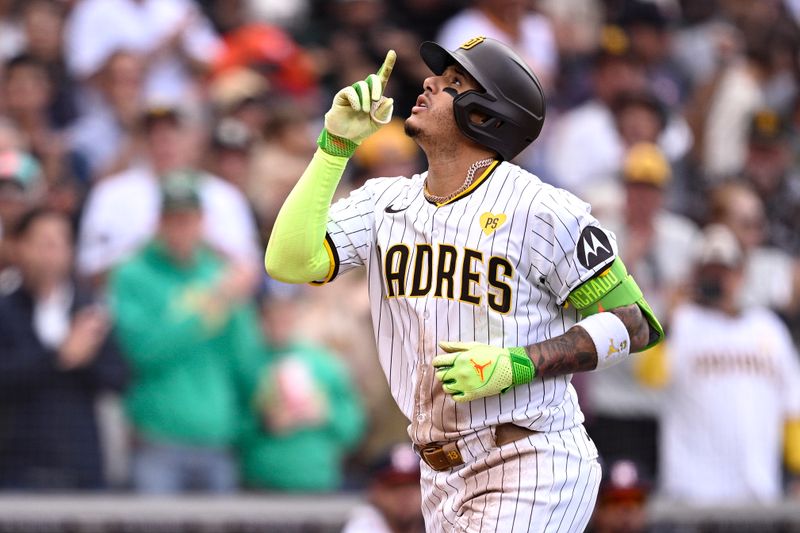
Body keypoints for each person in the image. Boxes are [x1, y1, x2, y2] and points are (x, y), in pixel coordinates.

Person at [265, 36, 663, 531]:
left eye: (454, 83)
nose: (429, 82)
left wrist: (517, 364)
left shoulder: (541, 209)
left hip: (531, 459)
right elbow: (289, 262)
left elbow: (636, 324)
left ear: (487, 115)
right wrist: (336, 145)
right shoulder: (385, 202)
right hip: (439, 476)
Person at [109, 172, 259, 493]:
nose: (182, 228)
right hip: (158, 439)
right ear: (159, 222)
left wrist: (240, 309)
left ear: (203, 222)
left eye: (189, 218)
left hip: (218, 439)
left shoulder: (219, 273)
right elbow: (143, 350)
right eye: (173, 219)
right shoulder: (133, 275)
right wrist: (210, 304)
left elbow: (244, 361)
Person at [654, 224, 800, 504]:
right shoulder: (683, 322)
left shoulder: (768, 327)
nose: (718, 280)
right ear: (695, 275)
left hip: (757, 491)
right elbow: (650, 378)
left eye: (724, 271)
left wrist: (797, 473)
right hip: (692, 494)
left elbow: (793, 407)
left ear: (741, 274)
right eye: (709, 272)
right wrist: (666, 321)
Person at [0, 207, 128, 490]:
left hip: (80, 466)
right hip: (17, 467)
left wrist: (84, 358)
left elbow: (118, 377)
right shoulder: (5, 309)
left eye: (59, 244)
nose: (50, 255)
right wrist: (59, 356)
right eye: (42, 243)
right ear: (20, 247)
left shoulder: (90, 309)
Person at [236, 282, 365, 491]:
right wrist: (264, 423)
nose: (279, 321)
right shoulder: (246, 364)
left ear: (297, 313)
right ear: (259, 316)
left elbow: (353, 426)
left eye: (286, 312)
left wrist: (325, 414)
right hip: (262, 482)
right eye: (272, 313)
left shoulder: (324, 363)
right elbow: (230, 427)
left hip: (317, 479)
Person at [343, 443, 425, 533]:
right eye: (395, 486)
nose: (404, 495)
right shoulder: (363, 526)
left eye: (413, 485)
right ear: (375, 490)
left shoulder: (436, 519)